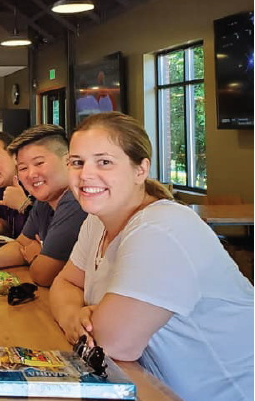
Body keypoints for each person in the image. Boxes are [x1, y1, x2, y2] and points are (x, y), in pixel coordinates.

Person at [50, 112, 253, 401]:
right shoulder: (97, 221)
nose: (85, 174)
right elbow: (65, 283)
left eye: (104, 161)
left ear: (140, 170)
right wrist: (73, 316)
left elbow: (112, 343)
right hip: (150, 385)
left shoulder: (161, 228)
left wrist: (89, 321)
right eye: (77, 162)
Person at [0, 125, 87, 287]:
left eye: (39, 163)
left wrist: (37, 256)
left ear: (68, 161)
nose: (30, 174)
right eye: (23, 168)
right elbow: (20, 245)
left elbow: (43, 274)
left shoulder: (75, 202)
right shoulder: (44, 200)